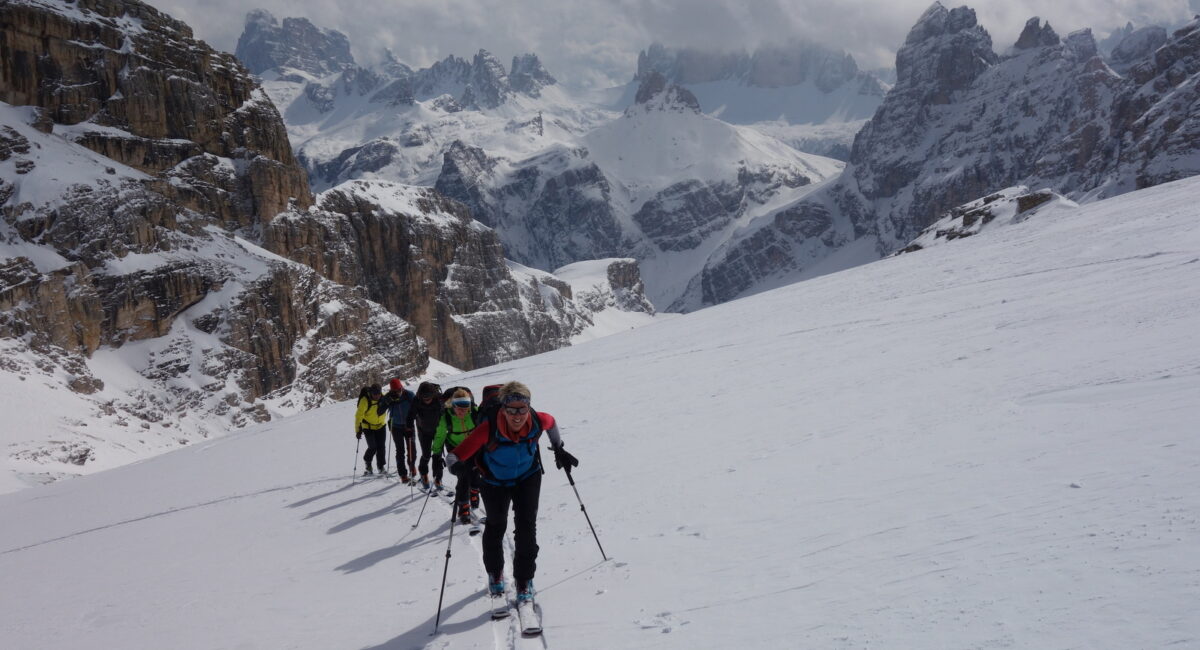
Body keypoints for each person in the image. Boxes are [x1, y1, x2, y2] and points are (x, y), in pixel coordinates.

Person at [449, 381, 578, 602]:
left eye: (522, 409)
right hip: (494, 482)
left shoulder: (538, 420)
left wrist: (559, 449)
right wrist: (457, 467)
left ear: (529, 407)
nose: (517, 415)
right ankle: (495, 572)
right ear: (503, 409)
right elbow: (453, 456)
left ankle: (524, 579)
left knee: (527, 527)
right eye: (511, 410)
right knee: (496, 525)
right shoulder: (487, 428)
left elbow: (552, 423)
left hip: (528, 477)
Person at [433, 388, 480, 524]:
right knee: (464, 476)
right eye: (459, 408)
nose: (463, 412)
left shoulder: (474, 414)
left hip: (473, 447)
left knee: (476, 472)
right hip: (456, 450)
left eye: (466, 408)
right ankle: (464, 506)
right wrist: (436, 454)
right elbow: (440, 435)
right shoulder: (446, 417)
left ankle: (475, 492)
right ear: (453, 406)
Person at [379, 378, 417, 482]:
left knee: (412, 449)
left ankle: (412, 466)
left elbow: (417, 408)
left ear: (402, 387)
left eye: (399, 389)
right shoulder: (388, 397)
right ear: (391, 390)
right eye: (395, 391)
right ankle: (403, 474)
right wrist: (387, 402)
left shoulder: (409, 395)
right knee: (400, 450)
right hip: (395, 427)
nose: (398, 392)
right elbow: (379, 411)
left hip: (409, 426)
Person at [411, 381, 444, 490]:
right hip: (423, 431)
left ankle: (438, 478)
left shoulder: (439, 399)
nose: (427, 400)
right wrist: (408, 427)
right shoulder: (416, 400)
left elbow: (446, 412)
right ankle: (423, 474)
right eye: (424, 398)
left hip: (438, 431)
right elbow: (410, 415)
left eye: (429, 397)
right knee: (426, 455)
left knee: (437, 455)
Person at [354, 384, 388, 476]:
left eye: (378, 393)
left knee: (381, 447)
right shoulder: (365, 401)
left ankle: (381, 467)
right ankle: (368, 463)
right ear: (371, 393)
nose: (377, 395)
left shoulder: (383, 398)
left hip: (381, 425)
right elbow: (358, 416)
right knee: (373, 447)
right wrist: (358, 430)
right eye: (374, 393)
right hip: (368, 427)